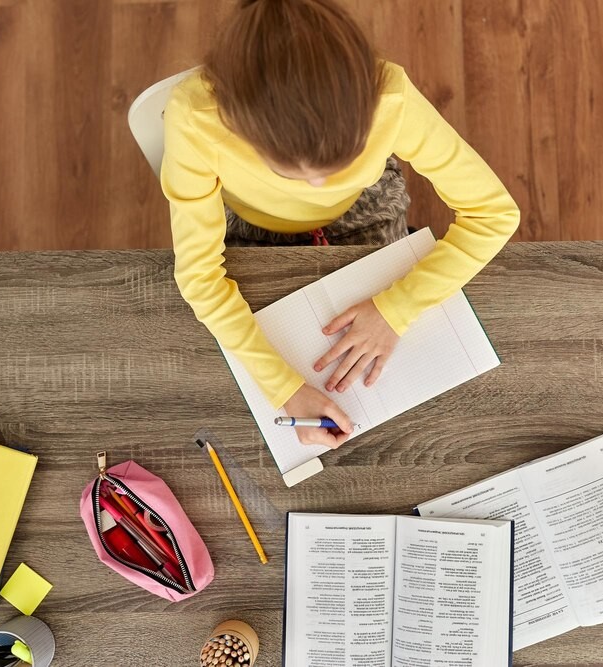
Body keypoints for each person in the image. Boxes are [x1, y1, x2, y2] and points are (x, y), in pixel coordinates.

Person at [161, 0, 520, 449]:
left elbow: (495, 214)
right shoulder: (196, 119)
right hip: (248, 225)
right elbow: (198, 276)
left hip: (364, 207)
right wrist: (284, 388)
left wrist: (397, 309)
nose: (317, 185)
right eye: (292, 172)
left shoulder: (392, 98)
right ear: (237, 127)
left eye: (342, 163)